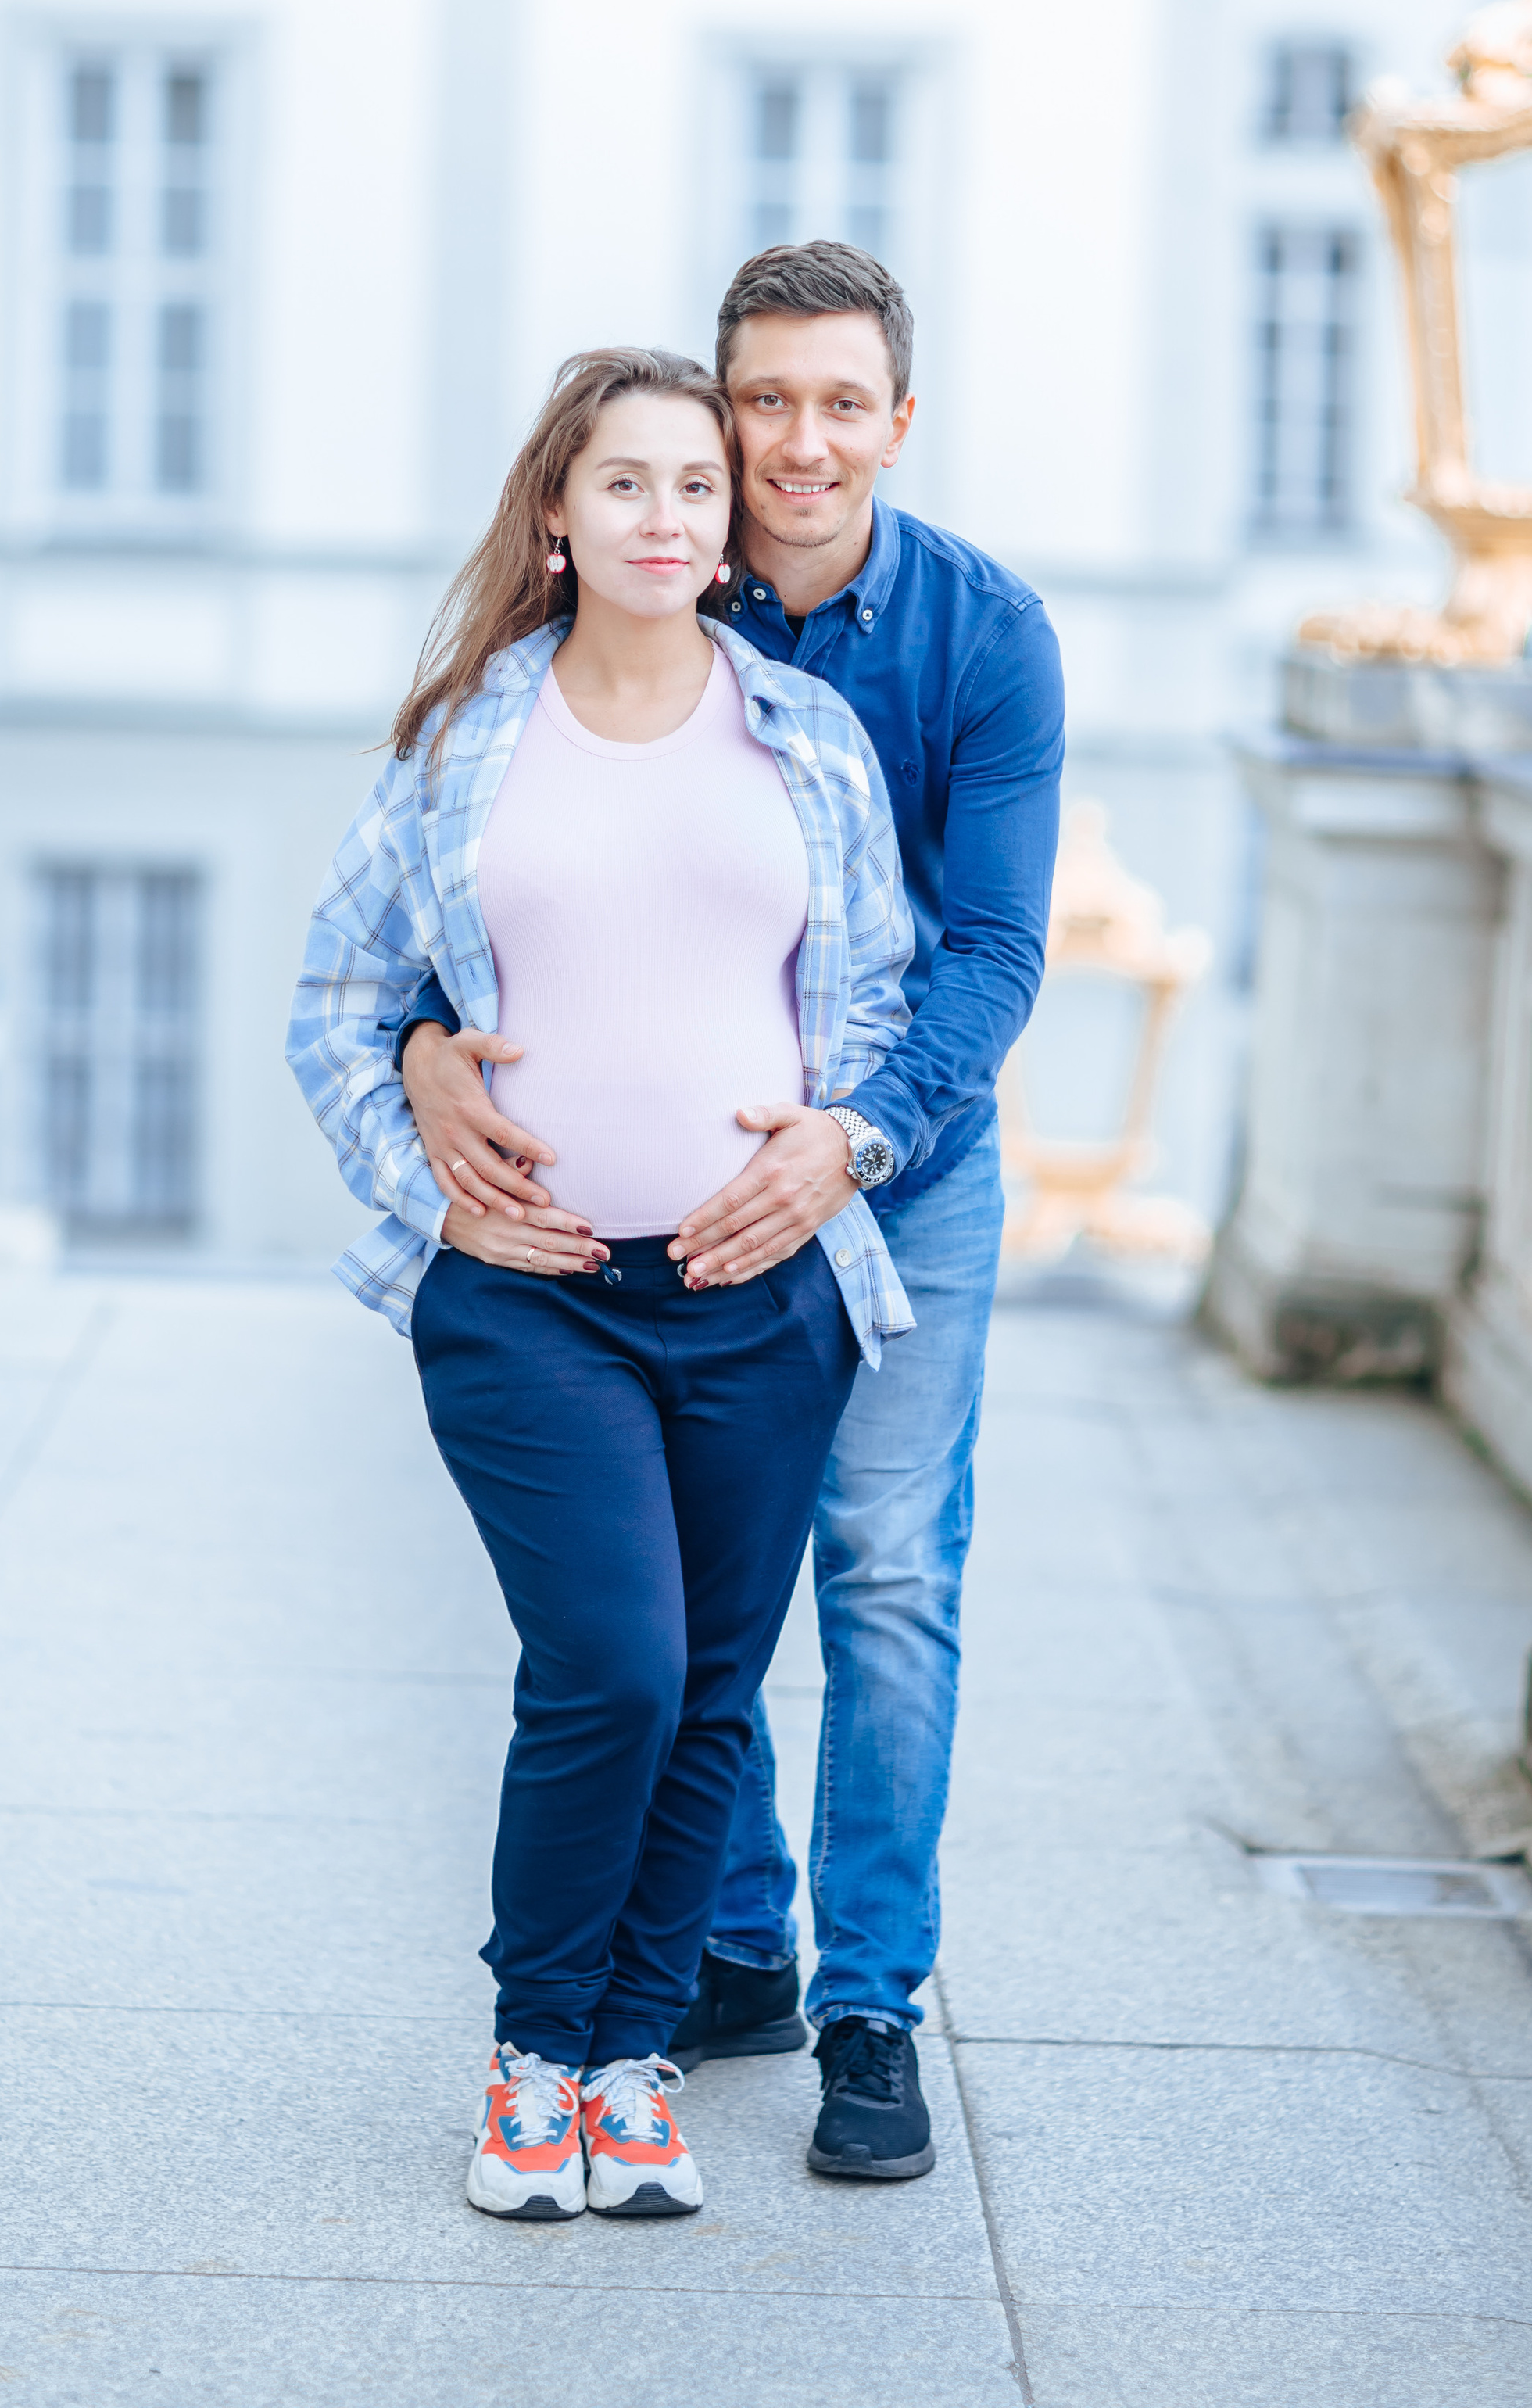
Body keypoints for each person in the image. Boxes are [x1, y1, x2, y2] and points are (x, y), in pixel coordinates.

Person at [403, 246, 1064, 2181]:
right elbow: (542, 882)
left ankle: (867, 2007)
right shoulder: (635, 588)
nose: (792, 444)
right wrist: (434, 1045)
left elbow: (999, 947)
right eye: (759, 401)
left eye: (836, 404)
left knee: (878, 1570)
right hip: (652, 1217)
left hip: (899, 1173)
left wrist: (851, 1134)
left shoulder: (976, 635)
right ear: (709, 411)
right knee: (700, 1597)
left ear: (896, 423)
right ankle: (729, 1948)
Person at [287, 346, 917, 2225]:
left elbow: (877, 998)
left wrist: (832, 1151)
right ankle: (531, 2055)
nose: (667, 517)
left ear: (732, 531)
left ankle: (635, 2066)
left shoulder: (805, 735)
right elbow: (338, 998)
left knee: (713, 1693)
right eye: (625, 484)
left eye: (696, 489)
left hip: (761, 1301)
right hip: (530, 1301)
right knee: (612, 1669)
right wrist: (434, 1191)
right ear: (554, 518)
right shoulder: (462, 740)